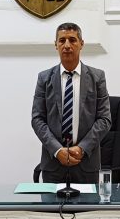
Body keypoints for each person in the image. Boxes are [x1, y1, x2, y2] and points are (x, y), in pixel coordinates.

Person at [32, 22, 111, 183]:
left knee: (87, 201)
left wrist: (82, 149)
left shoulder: (97, 78)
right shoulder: (44, 78)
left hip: (86, 163)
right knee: (52, 201)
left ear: (81, 43)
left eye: (72, 40)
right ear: (56, 45)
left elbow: (104, 119)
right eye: (62, 40)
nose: (67, 45)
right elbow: (37, 119)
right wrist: (57, 150)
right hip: (53, 164)